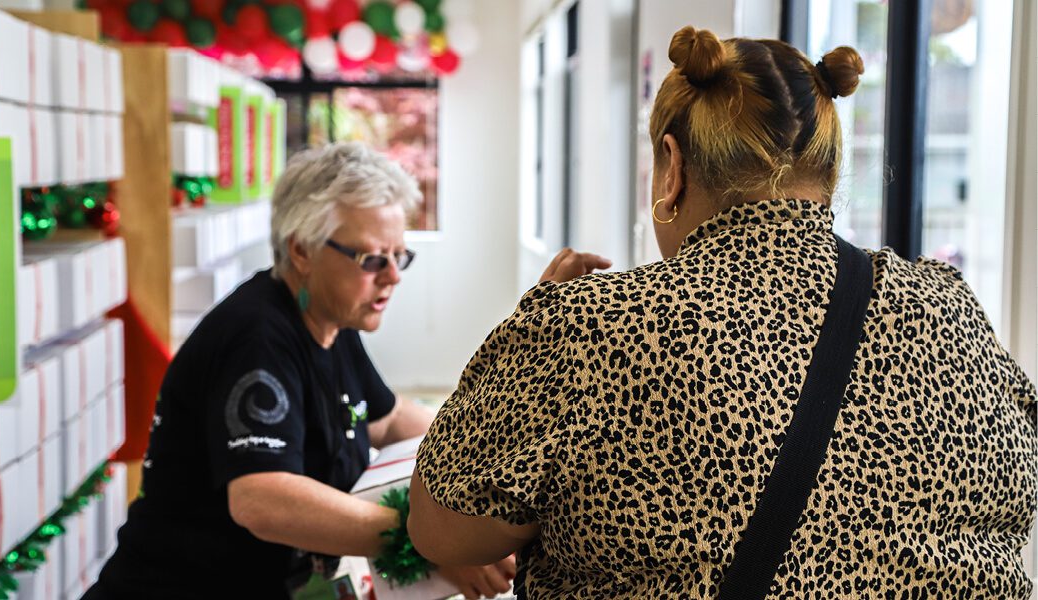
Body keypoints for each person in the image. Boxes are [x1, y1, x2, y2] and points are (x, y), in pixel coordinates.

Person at [409, 26, 1037, 599]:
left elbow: (445, 530)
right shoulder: (949, 304)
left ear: (672, 168)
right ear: (830, 169)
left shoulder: (592, 325)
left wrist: (529, 326)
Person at [85, 143, 515, 599]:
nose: (393, 276)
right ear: (302, 250)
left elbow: (386, 418)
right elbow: (262, 500)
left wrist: (495, 449)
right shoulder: (257, 337)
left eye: (399, 256)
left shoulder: (331, 321)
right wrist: (432, 542)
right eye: (372, 259)